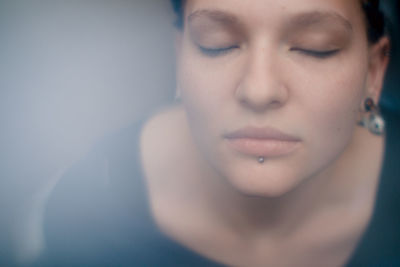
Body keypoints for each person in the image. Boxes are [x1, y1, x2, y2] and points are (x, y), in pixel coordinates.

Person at [33, 0, 399, 266]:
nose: (259, 89)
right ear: (180, 58)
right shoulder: (89, 214)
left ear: (374, 71)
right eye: (216, 43)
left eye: (314, 48)